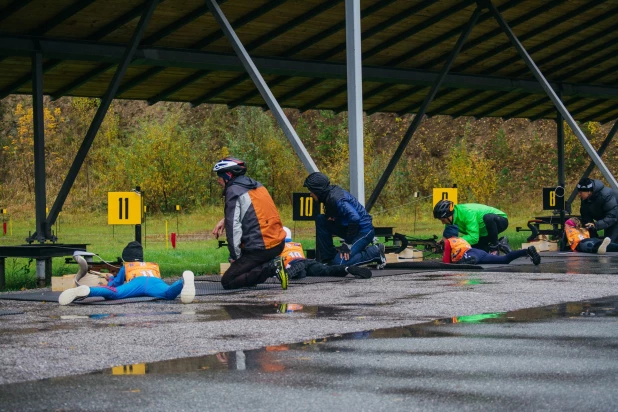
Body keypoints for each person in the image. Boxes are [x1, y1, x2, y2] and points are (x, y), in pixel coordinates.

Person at [212, 157, 288, 290]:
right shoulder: (256, 185)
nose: (218, 180)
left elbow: (233, 228)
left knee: (228, 281)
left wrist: (235, 257)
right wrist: (225, 219)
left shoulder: (233, 190)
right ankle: (268, 266)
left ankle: (272, 267)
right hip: (278, 244)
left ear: (228, 175)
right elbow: (251, 211)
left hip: (260, 248)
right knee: (245, 273)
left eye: (219, 175)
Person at [59, 241, 195, 305]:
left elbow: (116, 286)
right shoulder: (150, 265)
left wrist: (111, 278)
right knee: (168, 293)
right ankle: (183, 282)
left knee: (113, 294)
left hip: (137, 283)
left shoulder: (127, 266)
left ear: (126, 257)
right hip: (154, 281)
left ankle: (89, 291)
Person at [303, 172, 386, 267]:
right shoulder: (329, 195)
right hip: (349, 229)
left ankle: (375, 251)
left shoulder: (337, 199)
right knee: (321, 219)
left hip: (363, 232)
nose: (310, 194)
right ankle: (328, 258)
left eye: (311, 191)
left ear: (318, 190)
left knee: (338, 264)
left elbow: (355, 218)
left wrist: (347, 243)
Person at [269, 226, 372, 280]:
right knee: (326, 270)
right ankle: (346, 268)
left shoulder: (278, 247)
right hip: (307, 262)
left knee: (300, 273)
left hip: (293, 264)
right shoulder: (297, 244)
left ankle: (287, 275)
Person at [433, 199, 512, 254]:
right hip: (483, 232)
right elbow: (449, 238)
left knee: (488, 218)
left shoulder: (467, 213)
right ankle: (501, 243)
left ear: (450, 215)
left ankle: (495, 246)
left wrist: (455, 241)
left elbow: (473, 238)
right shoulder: (450, 220)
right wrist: (443, 243)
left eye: (443, 220)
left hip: (499, 220)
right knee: (475, 251)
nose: (442, 223)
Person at [442, 224, 541, 265]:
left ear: (446, 236)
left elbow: (446, 261)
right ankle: (526, 251)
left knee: (468, 259)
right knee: (504, 260)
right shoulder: (461, 240)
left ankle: (470, 260)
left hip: (469, 254)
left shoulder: (448, 242)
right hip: (478, 252)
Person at [577, 177, 618, 243]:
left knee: (610, 244)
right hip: (608, 218)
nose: (579, 194)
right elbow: (586, 218)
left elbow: (612, 217)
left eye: (581, 192)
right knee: (595, 242)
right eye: (578, 192)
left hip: (615, 218)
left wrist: (596, 225)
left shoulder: (605, 195)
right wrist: (592, 236)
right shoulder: (585, 199)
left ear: (589, 191)